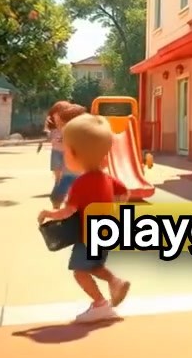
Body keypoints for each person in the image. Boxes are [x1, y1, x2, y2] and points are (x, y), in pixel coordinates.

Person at [38, 112, 131, 324]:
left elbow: (68, 211)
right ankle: (116, 283)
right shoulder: (108, 178)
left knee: (80, 272)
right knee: (94, 266)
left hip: (88, 236)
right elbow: (124, 192)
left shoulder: (81, 183)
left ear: (73, 153)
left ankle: (100, 304)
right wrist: (115, 208)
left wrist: (49, 214)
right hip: (105, 231)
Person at [50, 103, 88, 209]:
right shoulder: (68, 132)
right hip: (70, 173)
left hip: (77, 173)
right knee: (59, 193)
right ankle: (57, 208)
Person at [43, 100, 72, 187]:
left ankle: (65, 186)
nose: (58, 116)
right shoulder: (52, 127)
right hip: (56, 151)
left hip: (67, 152)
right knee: (57, 170)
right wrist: (47, 125)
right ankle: (58, 185)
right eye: (56, 113)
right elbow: (48, 136)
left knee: (67, 171)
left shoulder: (70, 125)